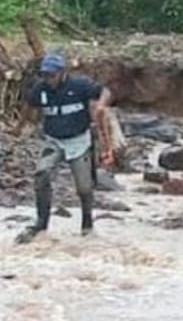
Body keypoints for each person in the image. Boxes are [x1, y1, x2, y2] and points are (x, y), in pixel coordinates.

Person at [18, 52, 114, 244]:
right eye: (45, 75)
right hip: (53, 141)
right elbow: (29, 105)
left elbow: (106, 91)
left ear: (62, 73)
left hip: (78, 141)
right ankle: (41, 223)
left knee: (84, 186)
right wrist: (20, 126)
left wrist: (101, 106)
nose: (48, 79)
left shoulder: (79, 85)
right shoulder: (40, 89)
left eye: (52, 75)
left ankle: (87, 224)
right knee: (41, 174)